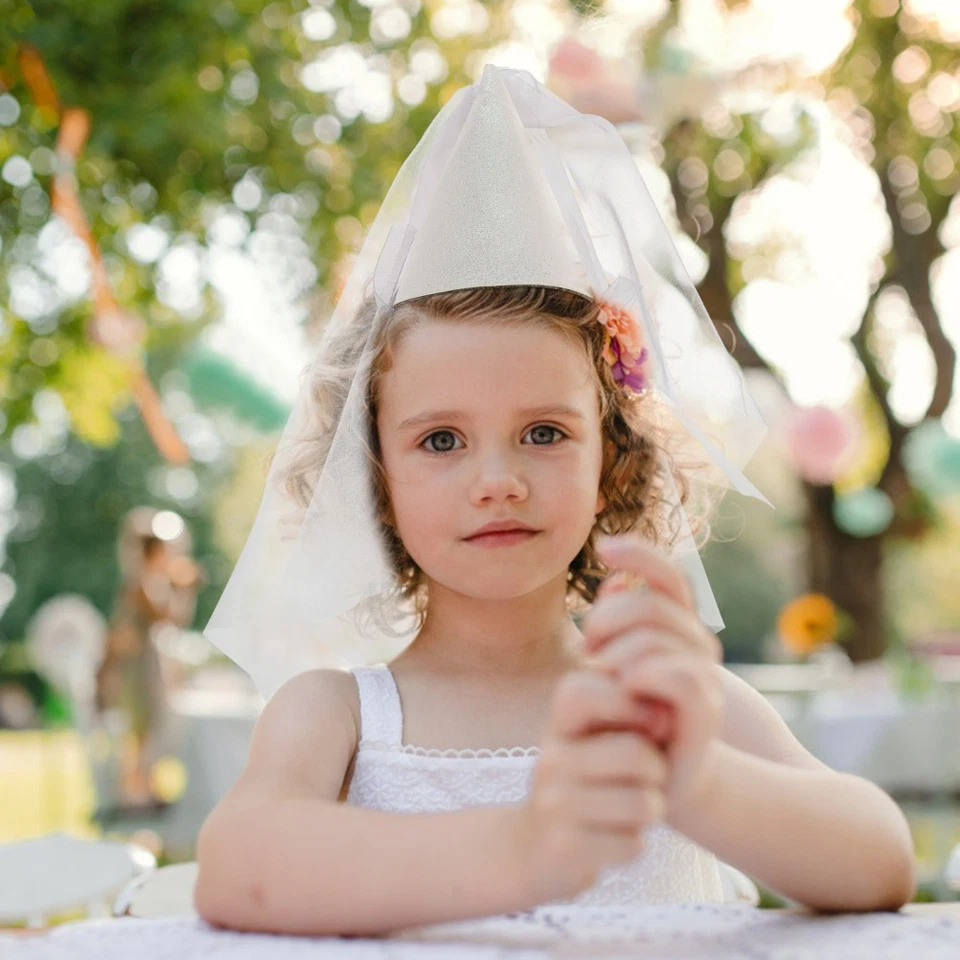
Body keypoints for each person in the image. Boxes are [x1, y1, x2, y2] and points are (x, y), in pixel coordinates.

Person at [194, 65, 915, 936]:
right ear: (374, 482)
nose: (497, 479)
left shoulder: (682, 708)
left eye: (543, 431)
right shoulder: (336, 714)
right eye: (441, 440)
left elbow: (880, 860)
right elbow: (237, 869)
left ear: (613, 460)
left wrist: (697, 779)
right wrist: (526, 849)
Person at [96, 507, 202, 808]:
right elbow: (165, 617)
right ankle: (134, 793)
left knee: (147, 729)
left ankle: (143, 787)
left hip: (146, 665)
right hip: (137, 668)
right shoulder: (140, 582)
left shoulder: (147, 581)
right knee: (139, 730)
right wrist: (183, 587)